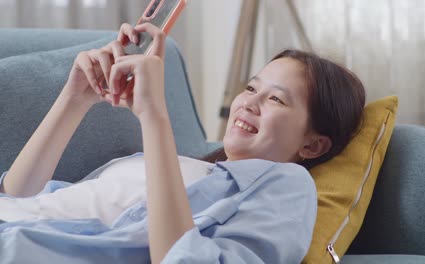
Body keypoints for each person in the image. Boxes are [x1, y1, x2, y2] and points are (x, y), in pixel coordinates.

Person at [0, 23, 365, 263]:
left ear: (313, 146)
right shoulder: (187, 168)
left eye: (276, 99)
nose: (248, 102)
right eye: (252, 87)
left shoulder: (288, 187)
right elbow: (18, 194)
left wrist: (154, 117)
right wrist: (75, 97)